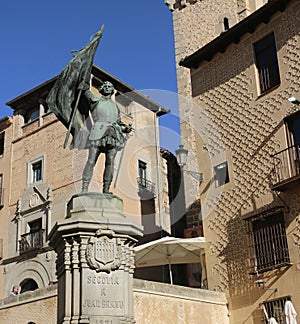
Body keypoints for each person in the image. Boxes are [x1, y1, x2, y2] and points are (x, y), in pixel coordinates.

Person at [81, 81, 132, 194]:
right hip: (98, 132)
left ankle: (106, 189)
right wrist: (83, 80)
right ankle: (84, 187)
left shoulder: (116, 107)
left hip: (113, 133)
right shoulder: (96, 100)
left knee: (110, 162)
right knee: (91, 161)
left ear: (112, 90)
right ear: (102, 89)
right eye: (106, 86)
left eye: (110, 87)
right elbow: (85, 92)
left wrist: (125, 129)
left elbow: (118, 122)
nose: (108, 88)